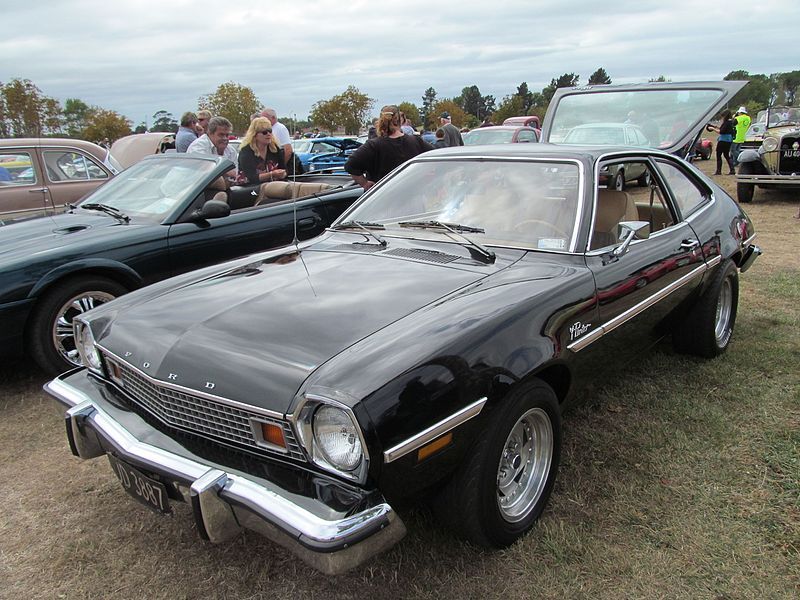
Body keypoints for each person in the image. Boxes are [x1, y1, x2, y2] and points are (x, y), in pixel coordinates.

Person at [344, 104, 433, 190]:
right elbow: (438, 157)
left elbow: (350, 165)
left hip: (383, 199)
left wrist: (364, 183)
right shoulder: (416, 141)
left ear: (380, 121)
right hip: (412, 197)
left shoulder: (373, 146)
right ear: (400, 121)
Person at [237, 117, 287, 185]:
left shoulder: (275, 149)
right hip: (251, 189)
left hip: (274, 186)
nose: (268, 134)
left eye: (270, 131)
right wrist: (271, 174)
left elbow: (284, 170)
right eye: (264, 132)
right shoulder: (246, 152)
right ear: (255, 135)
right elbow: (251, 178)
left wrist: (283, 174)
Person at [261, 108, 295, 173]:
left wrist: (280, 166)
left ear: (273, 117)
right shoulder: (270, 129)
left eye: (264, 118)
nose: (262, 121)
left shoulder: (280, 128)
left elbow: (288, 150)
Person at [707, 111, 735, 175]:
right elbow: (724, 129)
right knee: (727, 155)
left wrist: (713, 129)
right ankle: (732, 170)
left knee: (719, 155)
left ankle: (718, 171)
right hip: (729, 140)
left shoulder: (726, 122)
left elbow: (722, 132)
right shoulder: (730, 122)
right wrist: (716, 127)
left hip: (723, 140)